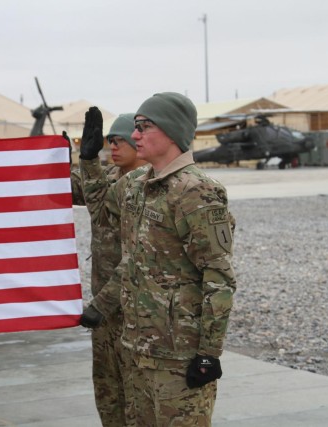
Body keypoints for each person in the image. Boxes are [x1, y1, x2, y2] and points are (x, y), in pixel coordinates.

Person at [79, 93, 236, 426]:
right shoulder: (136, 184)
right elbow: (102, 213)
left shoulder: (197, 191)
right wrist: (89, 160)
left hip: (177, 357)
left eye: (144, 126)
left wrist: (209, 353)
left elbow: (218, 277)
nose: (135, 135)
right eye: (135, 127)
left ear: (172, 131)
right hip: (136, 348)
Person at [70, 112, 147, 426]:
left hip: (132, 305)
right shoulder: (112, 176)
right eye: (110, 141)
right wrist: (70, 155)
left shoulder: (148, 184)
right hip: (105, 307)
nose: (113, 147)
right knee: (107, 387)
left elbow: (140, 256)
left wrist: (101, 303)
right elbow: (76, 188)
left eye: (121, 140)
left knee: (136, 390)